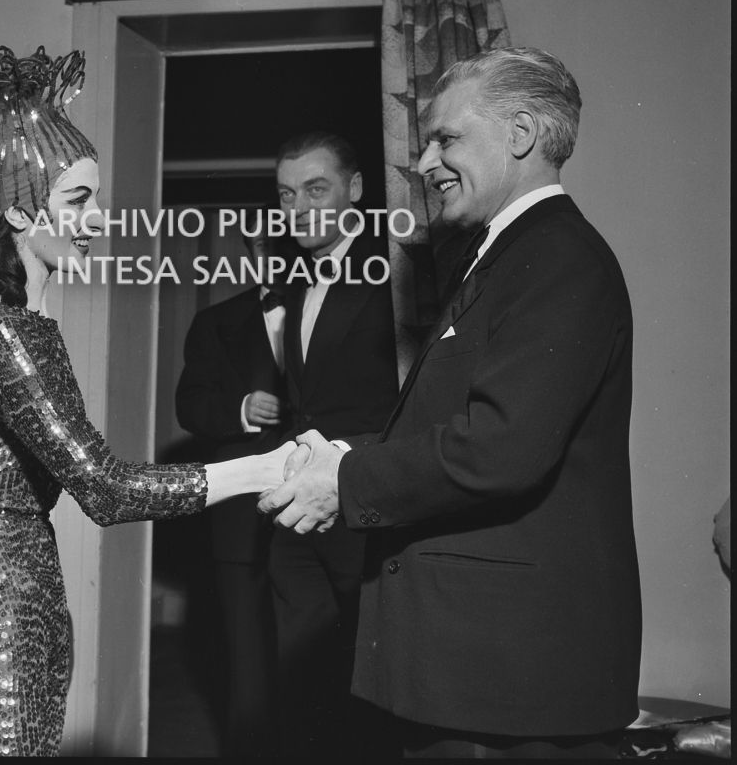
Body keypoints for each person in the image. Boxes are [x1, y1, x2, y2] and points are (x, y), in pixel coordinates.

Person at [0, 43, 295, 757]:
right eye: (76, 201)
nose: (93, 219)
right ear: (19, 214)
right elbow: (107, 489)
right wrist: (265, 468)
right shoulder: (3, 332)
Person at [260, 47, 642, 759]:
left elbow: (499, 449)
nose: (426, 161)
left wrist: (343, 482)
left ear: (520, 135)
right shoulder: (499, 256)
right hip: (474, 660)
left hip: (508, 667)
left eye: (446, 138)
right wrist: (347, 454)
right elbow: (446, 424)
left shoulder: (556, 257)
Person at [269, 132, 400, 756]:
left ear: (355, 190)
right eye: (286, 194)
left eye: (315, 189)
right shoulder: (295, 281)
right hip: (296, 510)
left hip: (363, 503)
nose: (297, 208)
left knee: (369, 681)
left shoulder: (398, 271)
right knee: (302, 677)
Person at [174, 209, 293, 757]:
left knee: (316, 654)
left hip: (324, 512)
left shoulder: (346, 307)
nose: (266, 255)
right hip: (242, 518)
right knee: (246, 657)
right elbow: (190, 405)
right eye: (257, 246)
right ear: (247, 250)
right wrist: (241, 408)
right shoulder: (216, 322)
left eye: (278, 243)